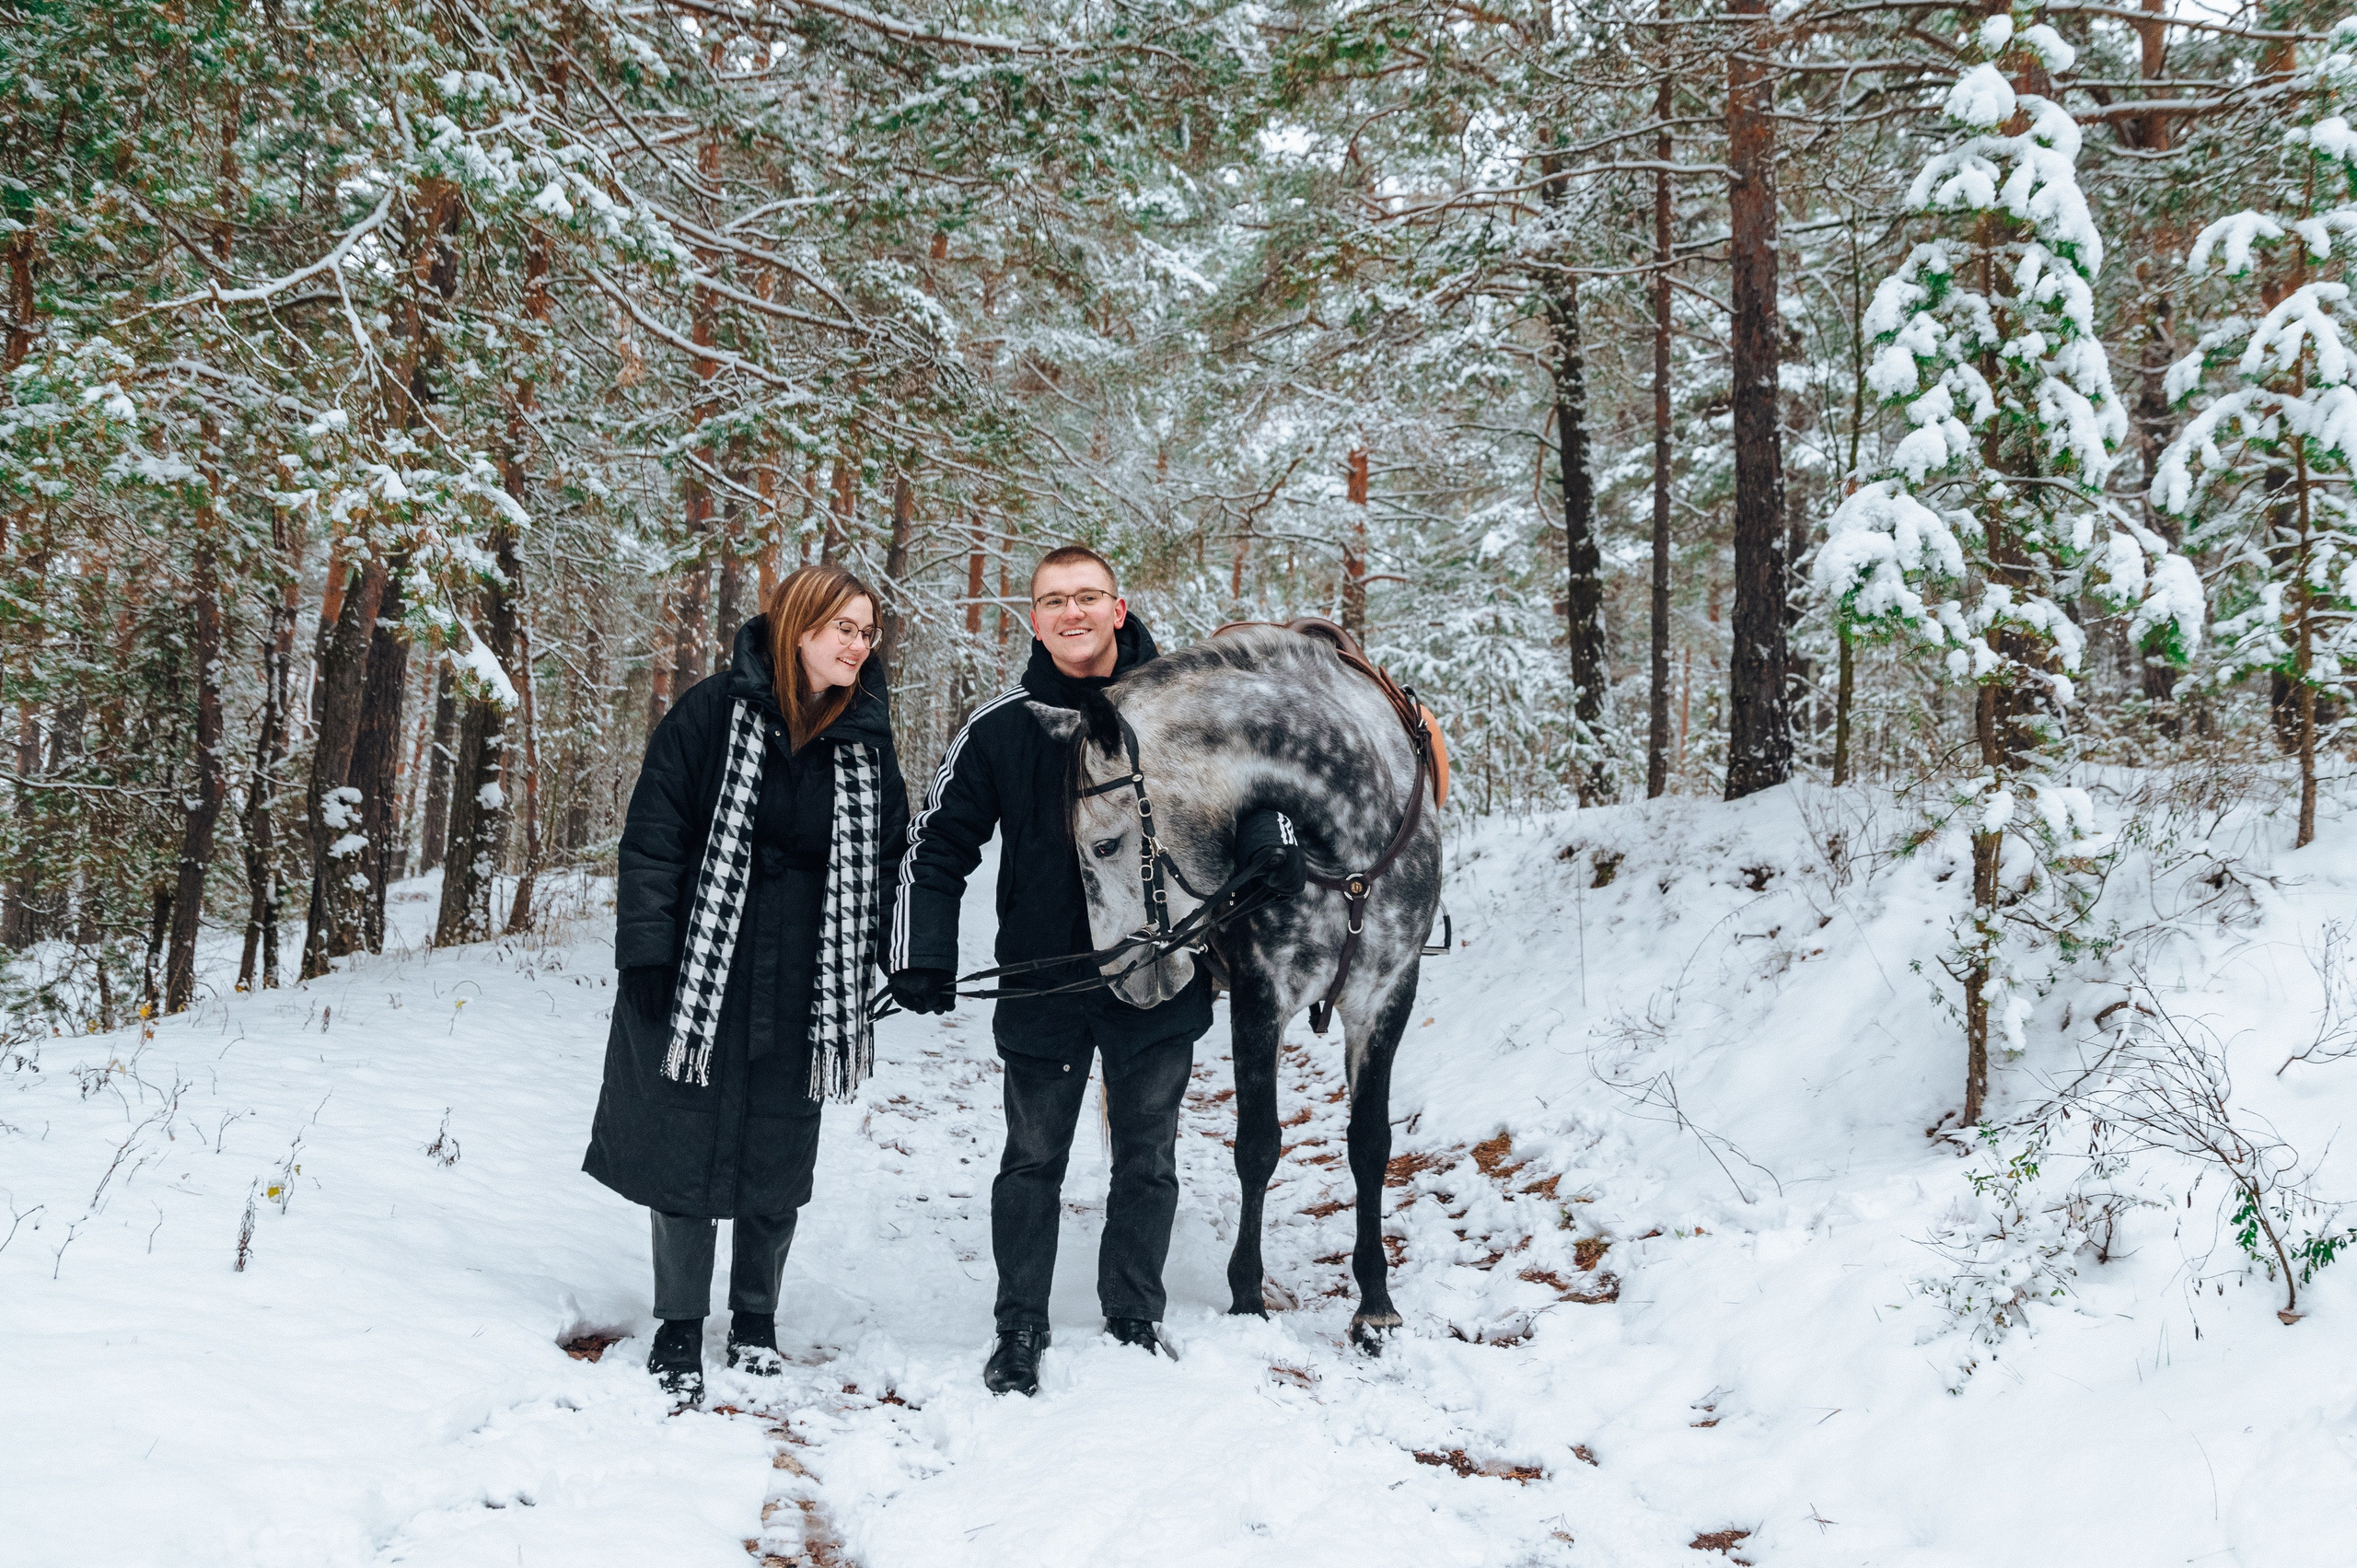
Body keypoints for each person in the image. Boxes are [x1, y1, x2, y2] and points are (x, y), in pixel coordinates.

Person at [886, 546, 1300, 1396]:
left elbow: (1256, 791)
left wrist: (1265, 840)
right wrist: (922, 950)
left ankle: (1134, 1316)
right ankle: (1018, 1328)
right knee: (1032, 1159)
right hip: (1043, 984)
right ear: (1034, 620)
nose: (1070, 613)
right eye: (1052, 601)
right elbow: (936, 845)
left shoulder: (1188, 712)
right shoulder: (1002, 726)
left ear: (1118, 608)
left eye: (1087, 597)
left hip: (1160, 973)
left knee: (1147, 1157)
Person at [584, 564, 910, 1407]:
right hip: (702, 962)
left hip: (807, 969)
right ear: (799, 626)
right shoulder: (707, 713)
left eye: (867, 632)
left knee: (777, 1142)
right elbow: (654, 837)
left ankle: (756, 1320)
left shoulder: (867, 734)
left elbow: (888, 862)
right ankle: (680, 1323)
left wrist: (896, 958)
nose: (858, 644)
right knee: (682, 1140)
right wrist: (647, 953)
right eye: (844, 627)